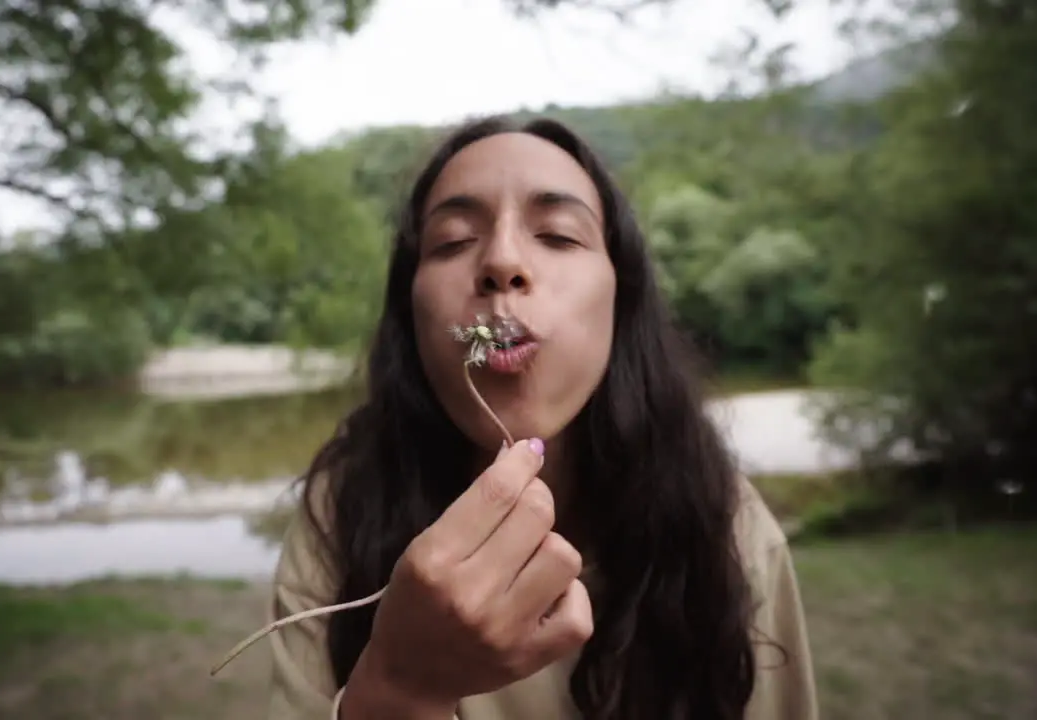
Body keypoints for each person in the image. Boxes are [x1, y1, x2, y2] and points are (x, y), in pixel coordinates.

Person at [263, 115, 818, 719]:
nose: (502, 262)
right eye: (451, 241)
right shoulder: (345, 511)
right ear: (410, 314)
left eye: (557, 235)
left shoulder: (724, 527)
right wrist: (399, 689)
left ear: (621, 299)